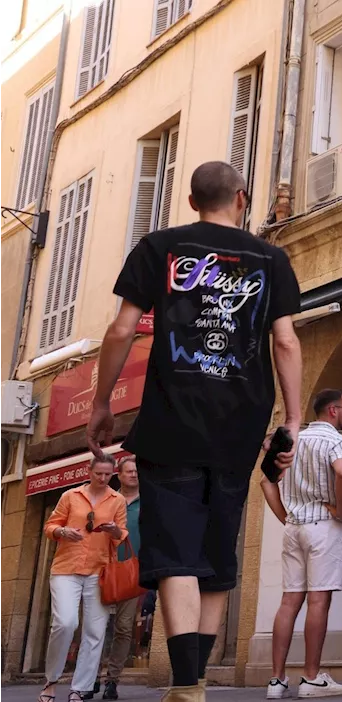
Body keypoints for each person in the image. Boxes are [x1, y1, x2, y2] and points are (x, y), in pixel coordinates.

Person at [86, 161, 303, 702]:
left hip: (170, 422)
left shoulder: (158, 247)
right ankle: (196, 678)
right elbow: (286, 343)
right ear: (242, 197)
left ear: (190, 202)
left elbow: (120, 329)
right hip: (239, 425)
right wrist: (294, 418)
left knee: (177, 554)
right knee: (216, 557)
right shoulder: (271, 259)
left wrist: (101, 402)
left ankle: (187, 686)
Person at [261, 389, 342, 699]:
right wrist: (340, 511)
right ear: (332, 411)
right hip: (323, 526)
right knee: (318, 601)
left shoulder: (292, 439)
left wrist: (285, 517)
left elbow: (266, 482)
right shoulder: (334, 440)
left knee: (289, 601)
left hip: (295, 528)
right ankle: (312, 678)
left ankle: (276, 680)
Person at [39, 456, 128, 702]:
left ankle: (80, 688)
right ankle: (51, 680)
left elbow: (122, 533)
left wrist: (114, 531)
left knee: (95, 631)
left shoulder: (117, 500)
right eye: (98, 473)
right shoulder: (70, 496)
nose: (102, 478)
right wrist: (62, 531)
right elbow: (50, 526)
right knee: (65, 623)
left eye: (107, 474)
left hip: (99, 572)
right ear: (88, 471)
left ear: (113, 474)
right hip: (66, 569)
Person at [99, 458, 143, 701]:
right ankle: (91, 678)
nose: (134, 475)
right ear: (120, 475)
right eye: (129, 471)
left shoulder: (149, 503)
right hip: (102, 570)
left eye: (137, 471)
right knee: (95, 628)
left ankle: (112, 681)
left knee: (124, 628)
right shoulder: (108, 500)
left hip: (130, 574)